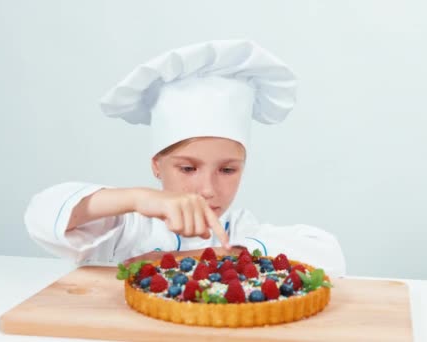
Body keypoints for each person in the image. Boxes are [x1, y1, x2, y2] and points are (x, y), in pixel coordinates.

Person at [24, 40, 347, 277]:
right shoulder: (124, 225)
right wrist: (137, 199)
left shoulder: (239, 228)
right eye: (188, 168)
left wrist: (207, 255)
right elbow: (42, 215)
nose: (207, 189)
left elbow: (329, 255)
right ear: (156, 165)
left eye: (228, 169)